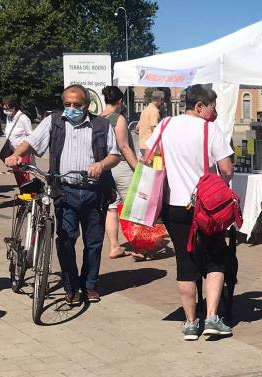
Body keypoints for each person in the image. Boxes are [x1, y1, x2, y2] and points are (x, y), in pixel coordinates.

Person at [6, 85, 121, 305]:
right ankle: (71, 287)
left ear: (86, 105)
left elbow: (114, 155)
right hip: (64, 191)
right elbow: (31, 142)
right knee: (66, 240)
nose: (71, 108)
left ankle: (89, 285)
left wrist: (101, 164)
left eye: (77, 105)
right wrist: (16, 155)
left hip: (94, 191)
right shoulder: (54, 121)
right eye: (67, 104)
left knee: (94, 242)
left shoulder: (101, 124)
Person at [148, 84, 234, 340]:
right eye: (212, 107)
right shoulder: (210, 129)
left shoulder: (165, 125)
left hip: (174, 205)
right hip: (206, 207)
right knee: (215, 260)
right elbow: (227, 169)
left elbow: (148, 156)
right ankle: (211, 317)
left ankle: (190, 322)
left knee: (185, 263)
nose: (214, 112)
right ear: (199, 106)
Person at [100, 85, 143, 260]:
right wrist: (138, 169)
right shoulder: (118, 119)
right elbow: (124, 146)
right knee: (132, 207)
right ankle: (140, 247)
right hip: (121, 167)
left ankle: (115, 246)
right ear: (120, 102)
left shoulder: (98, 118)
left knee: (111, 208)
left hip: (105, 167)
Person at [1, 98, 33, 188]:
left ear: (13, 108)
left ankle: (29, 196)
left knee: (24, 176)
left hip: (23, 151)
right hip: (12, 151)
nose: (5, 111)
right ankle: (22, 194)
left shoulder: (23, 118)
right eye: (4, 109)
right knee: (17, 174)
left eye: (7, 109)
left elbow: (31, 135)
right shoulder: (9, 117)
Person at [137, 89, 165, 155]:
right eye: (163, 100)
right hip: (150, 147)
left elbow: (137, 128)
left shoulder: (145, 110)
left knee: (143, 165)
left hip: (142, 145)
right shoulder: (154, 111)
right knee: (155, 165)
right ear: (160, 100)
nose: (163, 103)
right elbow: (154, 129)